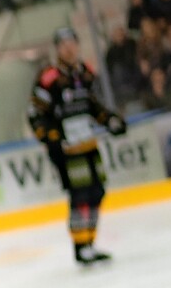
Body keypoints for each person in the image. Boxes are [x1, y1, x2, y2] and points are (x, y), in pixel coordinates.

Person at [28, 28, 127, 263]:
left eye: (72, 42)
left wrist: (109, 120)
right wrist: (50, 137)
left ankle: (89, 241)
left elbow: (93, 106)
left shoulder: (84, 73)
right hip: (67, 150)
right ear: (57, 49)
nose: (69, 48)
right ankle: (80, 246)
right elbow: (35, 114)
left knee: (97, 192)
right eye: (63, 45)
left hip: (88, 146)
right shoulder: (49, 78)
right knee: (80, 195)